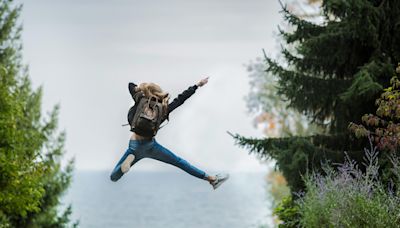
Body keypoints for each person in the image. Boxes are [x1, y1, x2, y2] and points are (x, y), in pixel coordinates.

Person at [110, 77, 229, 190]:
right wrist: (197, 85)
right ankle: (212, 179)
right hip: (151, 146)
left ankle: (128, 163)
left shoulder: (140, 99)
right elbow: (181, 99)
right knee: (179, 162)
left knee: (114, 177)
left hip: (134, 145)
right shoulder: (163, 108)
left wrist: (142, 88)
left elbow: (130, 85)